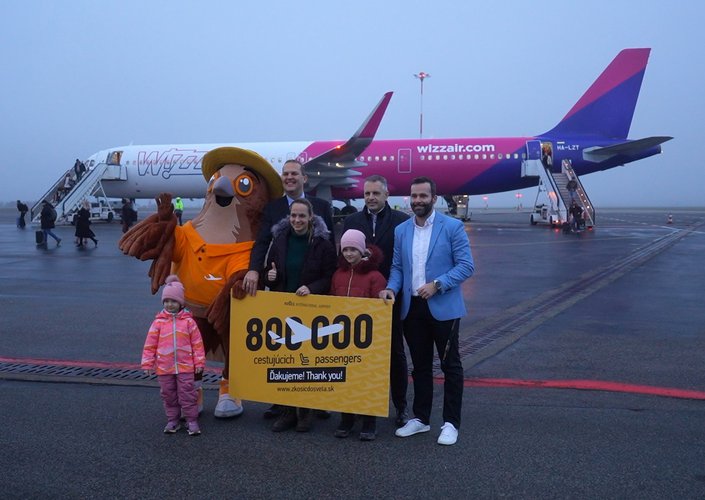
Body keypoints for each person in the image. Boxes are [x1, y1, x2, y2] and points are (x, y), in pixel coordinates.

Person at [380, 176, 474, 446]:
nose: (417, 200)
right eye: (414, 196)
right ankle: (421, 418)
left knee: (450, 365)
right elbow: (398, 267)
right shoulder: (402, 230)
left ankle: (451, 423)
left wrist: (438, 284)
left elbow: (466, 266)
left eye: (423, 196)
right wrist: (391, 288)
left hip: (443, 306)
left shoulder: (452, 227)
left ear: (434, 198)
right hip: (412, 308)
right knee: (420, 366)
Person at [242, 159, 335, 421]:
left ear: (305, 178)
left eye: (294, 173)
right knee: (283, 350)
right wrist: (255, 270)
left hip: (313, 293)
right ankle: (281, 403)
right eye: (285, 174)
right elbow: (262, 243)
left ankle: (316, 401)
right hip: (284, 292)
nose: (289, 177)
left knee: (313, 349)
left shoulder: (322, 206)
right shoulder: (273, 208)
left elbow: (331, 247)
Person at [263, 198, 337, 432]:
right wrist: (269, 277)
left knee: (306, 363)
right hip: (284, 310)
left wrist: (312, 288)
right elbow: (269, 272)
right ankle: (287, 412)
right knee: (285, 362)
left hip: (310, 311)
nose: (297, 220)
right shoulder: (280, 240)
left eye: (302, 216)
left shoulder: (322, 244)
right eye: (294, 215)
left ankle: (305, 412)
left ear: (310, 217)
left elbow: (330, 276)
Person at [343, 174, 410, 427]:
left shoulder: (401, 221)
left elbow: (404, 260)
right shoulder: (351, 221)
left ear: (386, 195)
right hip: (358, 298)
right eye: (367, 193)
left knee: (395, 353)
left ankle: (401, 406)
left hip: (389, 297)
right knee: (357, 354)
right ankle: (358, 405)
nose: (370, 198)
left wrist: (394, 287)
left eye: (375, 193)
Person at [330, 229, 387, 441]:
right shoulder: (338, 274)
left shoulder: (375, 277)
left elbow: (379, 310)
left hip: (366, 338)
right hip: (343, 336)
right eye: (345, 249)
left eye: (353, 249)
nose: (349, 254)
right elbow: (332, 301)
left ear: (362, 250)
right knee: (346, 377)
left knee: (367, 377)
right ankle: (347, 418)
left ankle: (369, 421)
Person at [141, 275, 206, 436]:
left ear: (181, 303)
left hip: (185, 367)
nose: (170, 304)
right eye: (167, 301)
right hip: (165, 368)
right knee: (168, 395)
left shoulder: (189, 322)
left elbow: (197, 344)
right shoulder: (158, 323)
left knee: (188, 395)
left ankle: (191, 420)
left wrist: (199, 363)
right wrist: (147, 363)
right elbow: (150, 344)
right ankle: (173, 420)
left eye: (173, 301)